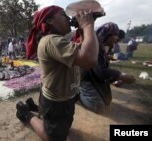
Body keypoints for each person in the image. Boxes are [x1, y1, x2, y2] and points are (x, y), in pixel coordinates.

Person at [15, 5, 99, 141]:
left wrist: (83, 29)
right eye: (62, 14)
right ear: (49, 21)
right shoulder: (52, 40)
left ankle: (37, 109)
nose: (68, 17)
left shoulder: (58, 40)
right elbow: (88, 59)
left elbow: (84, 51)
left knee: (64, 127)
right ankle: (26, 113)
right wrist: (88, 25)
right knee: (54, 138)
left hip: (63, 97)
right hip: (56, 101)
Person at [78, 22, 135, 114]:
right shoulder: (94, 46)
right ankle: (77, 94)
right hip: (87, 79)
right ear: (107, 35)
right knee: (98, 107)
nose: (117, 38)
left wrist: (114, 79)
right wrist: (120, 76)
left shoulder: (101, 46)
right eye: (115, 35)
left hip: (94, 77)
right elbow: (100, 72)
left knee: (107, 101)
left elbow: (102, 68)